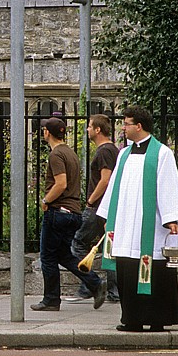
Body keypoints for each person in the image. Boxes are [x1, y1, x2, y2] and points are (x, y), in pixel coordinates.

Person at [97, 106, 178, 332]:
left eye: (126, 124)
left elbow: (168, 186)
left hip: (152, 226)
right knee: (127, 267)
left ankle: (157, 319)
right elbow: (114, 186)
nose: (122, 128)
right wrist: (109, 216)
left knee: (153, 269)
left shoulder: (162, 153)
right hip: (127, 225)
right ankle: (132, 319)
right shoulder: (124, 154)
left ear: (139, 126)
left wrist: (171, 218)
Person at [30, 117, 107, 312]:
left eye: (44, 130)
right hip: (73, 212)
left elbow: (61, 183)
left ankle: (51, 299)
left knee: (47, 257)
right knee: (64, 255)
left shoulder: (56, 154)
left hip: (58, 212)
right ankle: (95, 283)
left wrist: (46, 201)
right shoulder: (70, 153)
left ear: (47, 132)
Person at [68, 114, 120, 303]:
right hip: (106, 207)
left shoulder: (104, 151)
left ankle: (90, 285)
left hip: (98, 207)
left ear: (98, 130)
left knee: (77, 243)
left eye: (90, 126)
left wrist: (90, 200)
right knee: (109, 248)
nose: (87, 130)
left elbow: (105, 180)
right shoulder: (114, 150)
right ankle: (114, 292)